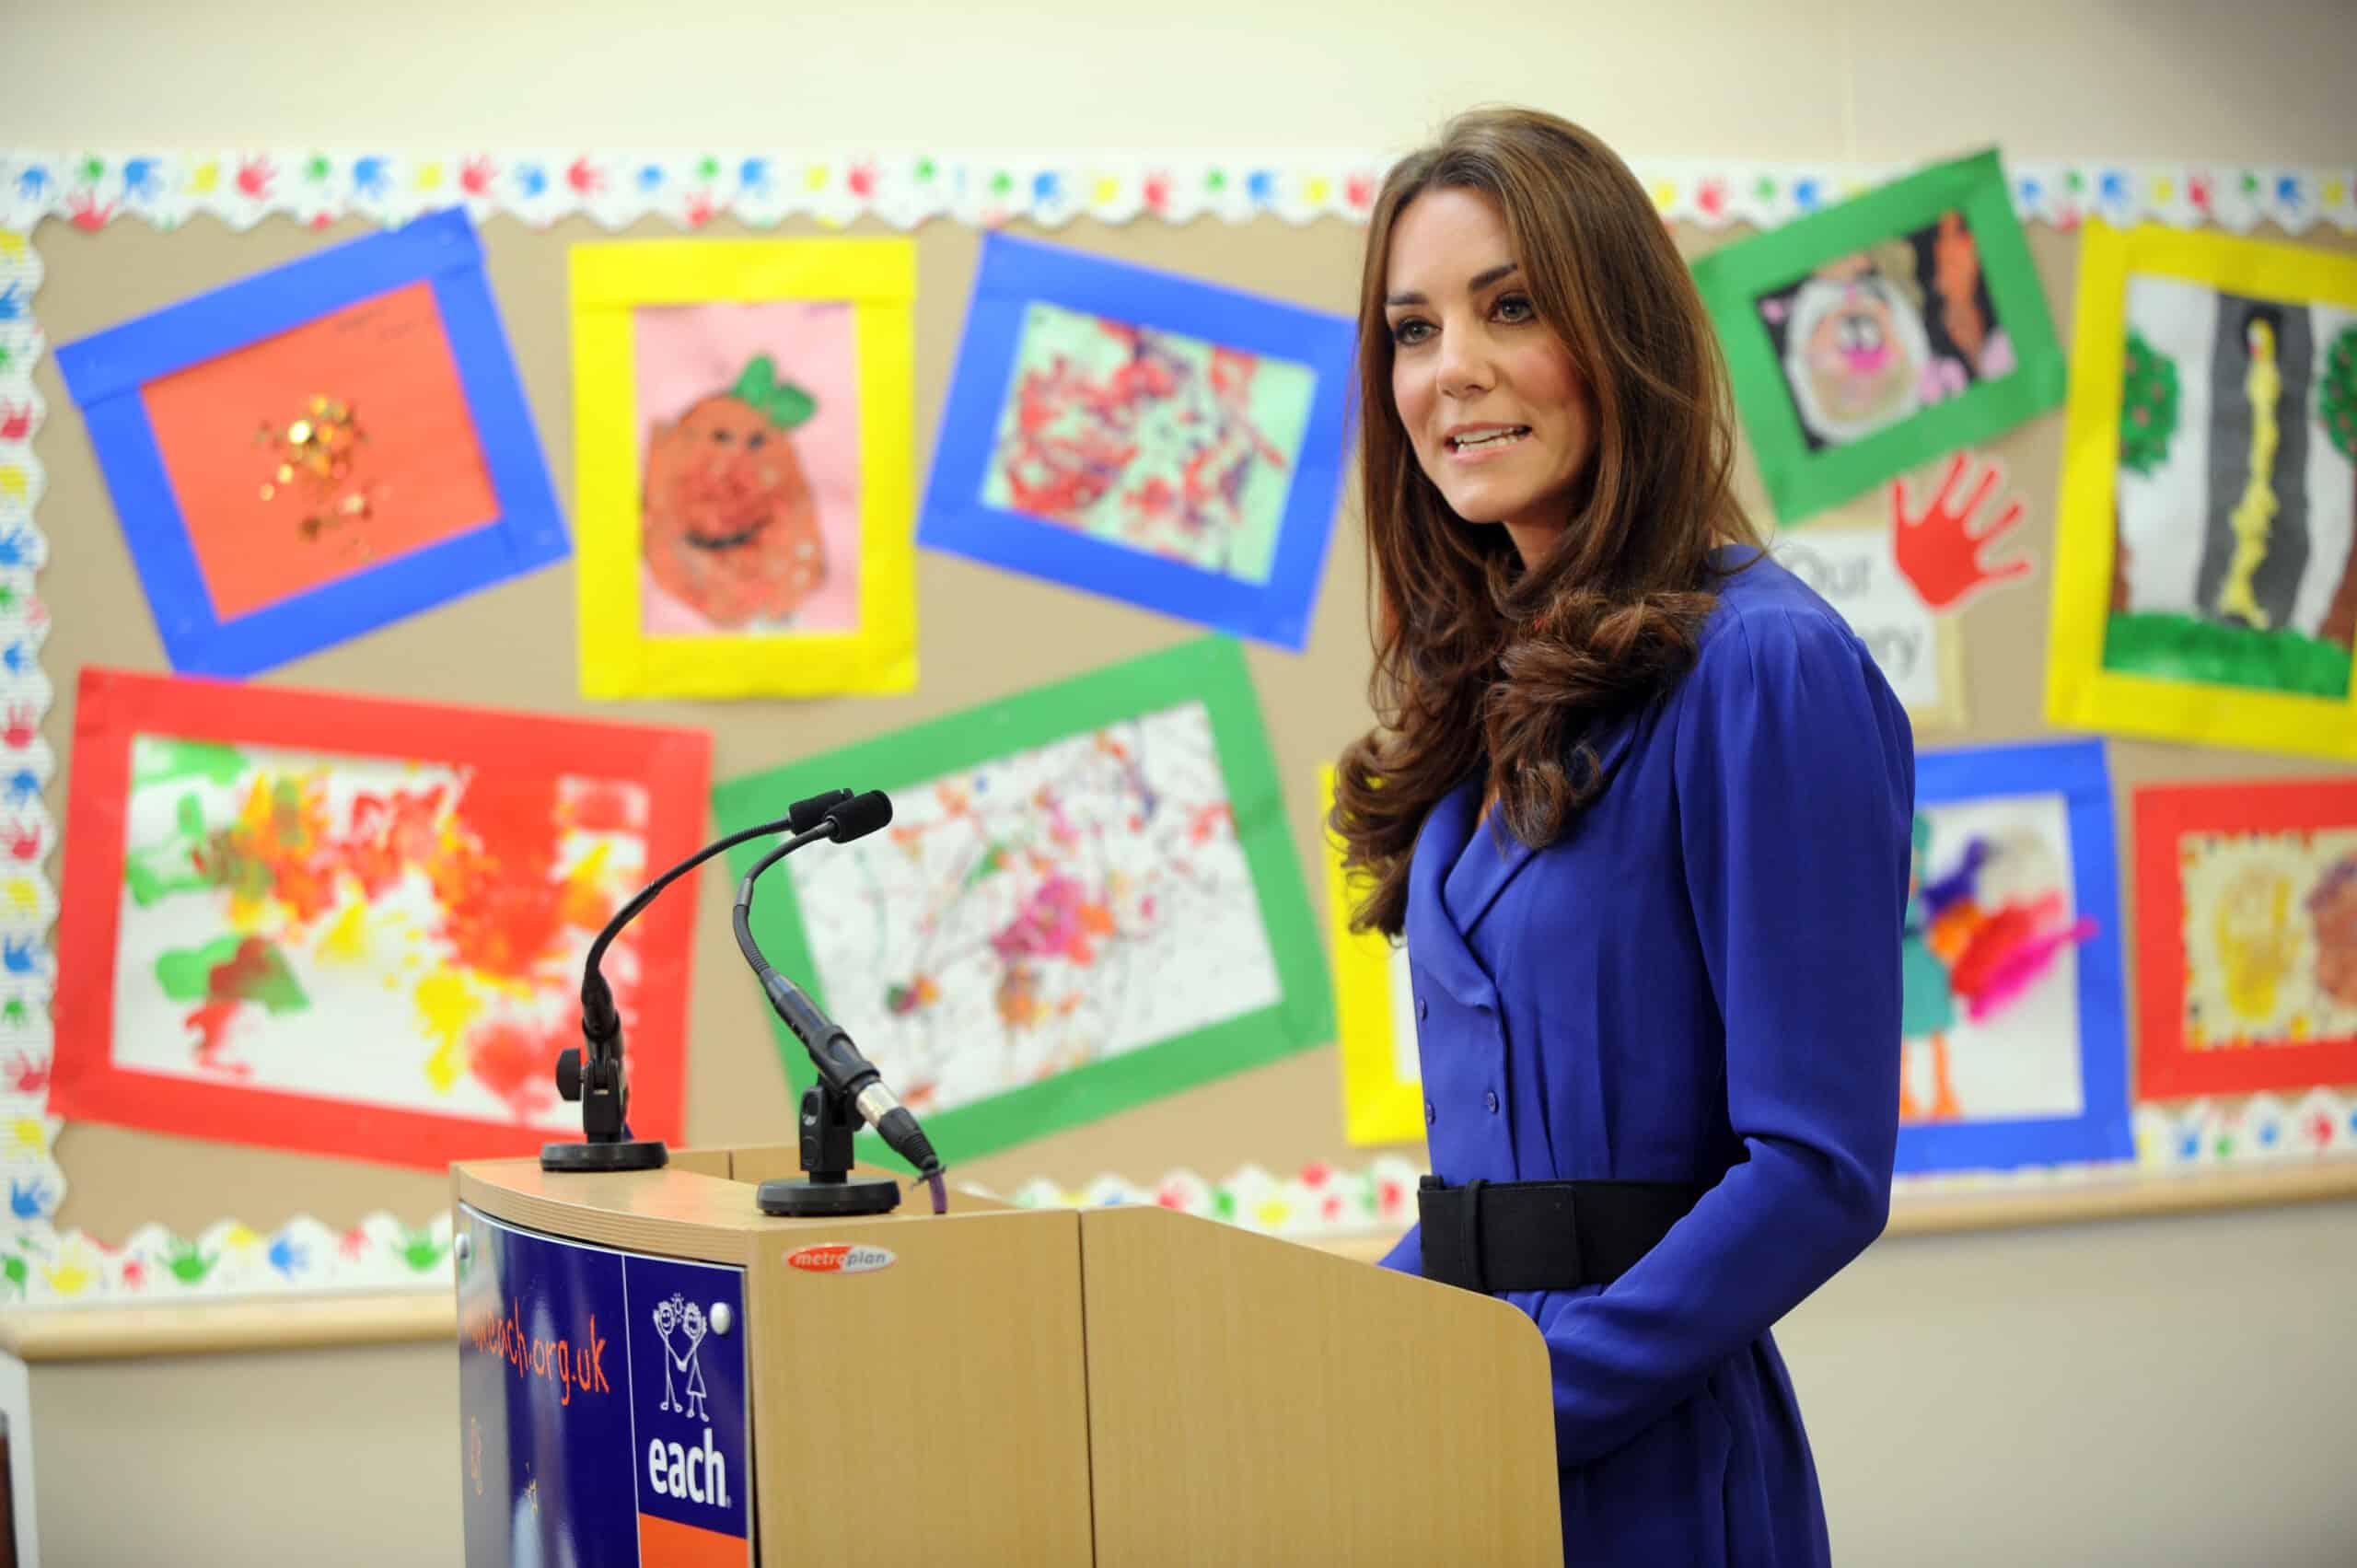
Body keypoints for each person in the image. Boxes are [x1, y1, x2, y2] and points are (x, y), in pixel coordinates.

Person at [1329, 107, 1914, 1565]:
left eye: (1509, 308)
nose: (1448, 369)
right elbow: (1503, 1201)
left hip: (1647, 1472)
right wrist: (1328, 1357)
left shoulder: (1766, 668)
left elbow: (1815, 1170)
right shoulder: (1490, 684)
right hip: (1466, 1460)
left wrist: (1517, 1399)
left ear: (1622, 335)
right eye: (1411, 329)